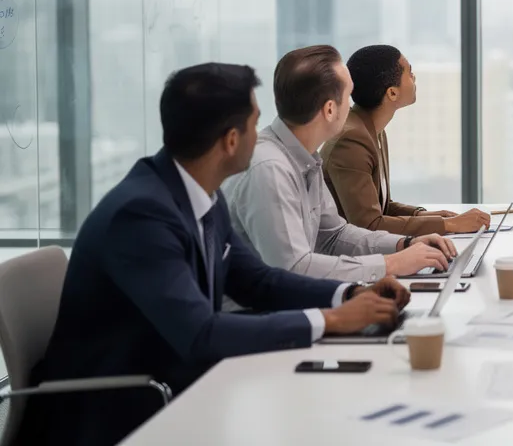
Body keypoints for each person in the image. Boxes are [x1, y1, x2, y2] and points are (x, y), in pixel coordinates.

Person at [22, 63, 410, 446]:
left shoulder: (199, 192)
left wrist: (349, 296)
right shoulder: (141, 215)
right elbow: (200, 334)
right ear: (229, 141)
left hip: (176, 381)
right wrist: (331, 320)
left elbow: (258, 281)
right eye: (254, 124)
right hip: (114, 411)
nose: (262, 137)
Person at [225, 46, 459, 282]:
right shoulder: (269, 168)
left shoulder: (304, 159)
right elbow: (293, 269)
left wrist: (404, 244)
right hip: (257, 313)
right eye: (348, 96)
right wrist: (391, 263)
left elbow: (334, 235)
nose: (352, 106)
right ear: (329, 109)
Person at [323, 45, 489, 235]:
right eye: (409, 72)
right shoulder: (351, 141)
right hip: (344, 258)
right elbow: (370, 225)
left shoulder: (371, 130)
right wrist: (449, 225)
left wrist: (427, 216)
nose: (414, 77)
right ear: (392, 93)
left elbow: (382, 208)